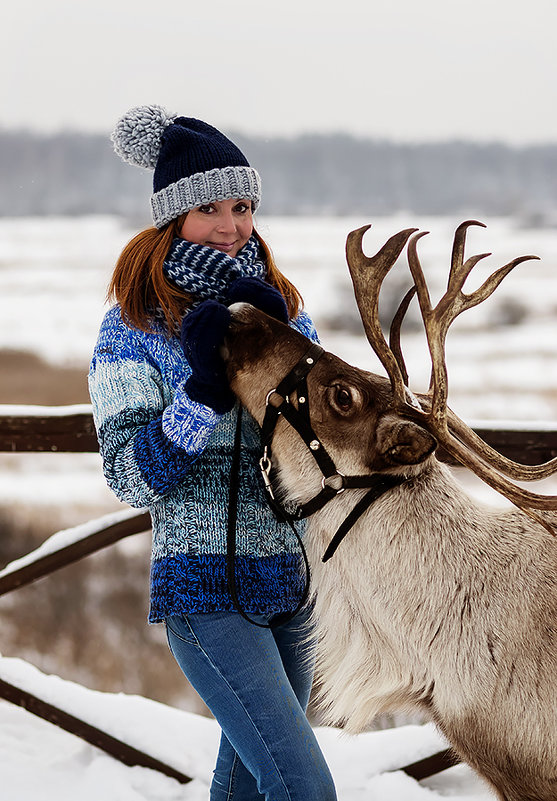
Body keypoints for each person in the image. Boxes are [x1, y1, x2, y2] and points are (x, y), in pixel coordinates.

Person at [88, 105, 337, 801]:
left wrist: (279, 352)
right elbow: (132, 476)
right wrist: (202, 391)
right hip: (204, 595)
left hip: (291, 587)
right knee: (304, 787)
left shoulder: (284, 310)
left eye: (242, 205)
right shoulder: (132, 330)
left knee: (248, 789)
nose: (232, 226)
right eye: (209, 208)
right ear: (172, 217)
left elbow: (319, 450)